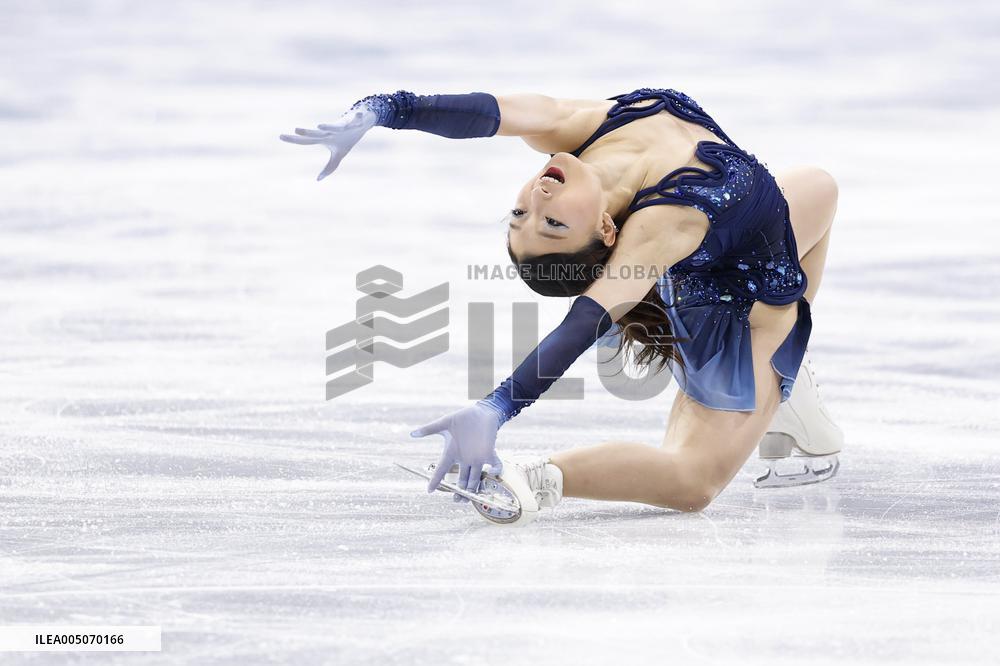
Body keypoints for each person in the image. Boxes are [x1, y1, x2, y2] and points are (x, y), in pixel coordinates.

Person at [281, 87, 844, 525]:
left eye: (520, 216)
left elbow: (490, 113)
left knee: (817, 185)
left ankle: (783, 396)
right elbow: (583, 323)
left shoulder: (583, 131)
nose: (537, 197)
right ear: (606, 229)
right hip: (733, 320)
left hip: (737, 249)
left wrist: (385, 110)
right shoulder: (665, 223)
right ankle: (542, 479)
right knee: (693, 481)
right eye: (552, 223)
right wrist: (498, 406)